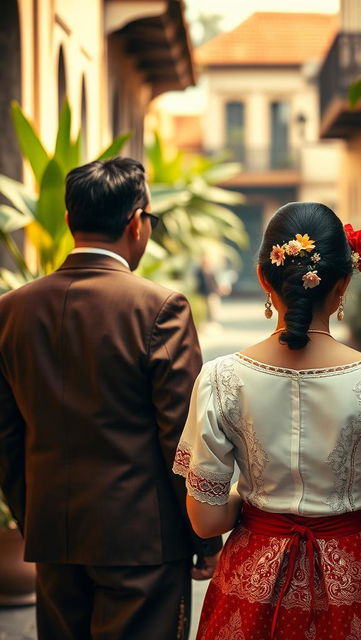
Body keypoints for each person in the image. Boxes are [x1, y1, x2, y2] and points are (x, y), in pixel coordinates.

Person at [174, 202, 361, 639]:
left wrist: (253, 497)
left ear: (263, 279)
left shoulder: (219, 379)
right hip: (357, 581)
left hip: (253, 579)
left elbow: (206, 521)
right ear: (342, 284)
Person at [0, 157, 221, 640]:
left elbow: (6, 438)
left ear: (67, 221)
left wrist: (33, 517)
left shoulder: (12, 311)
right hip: (142, 543)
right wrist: (203, 537)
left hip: (55, 538)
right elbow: (181, 439)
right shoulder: (160, 309)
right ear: (136, 222)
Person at [195, 254, 221, 324]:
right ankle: (206, 322)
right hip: (203, 293)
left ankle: (212, 322)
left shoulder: (211, 270)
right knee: (204, 309)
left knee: (213, 308)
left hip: (211, 292)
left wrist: (217, 289)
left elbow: (214, 281)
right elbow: (197, 282)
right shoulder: (199, 271)